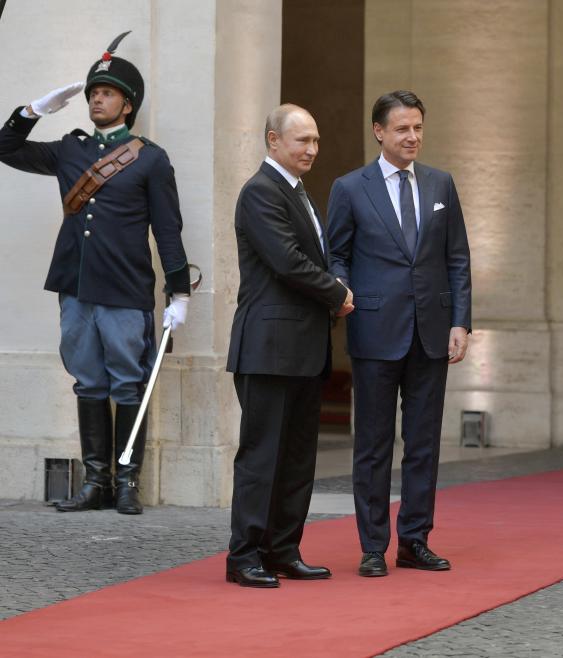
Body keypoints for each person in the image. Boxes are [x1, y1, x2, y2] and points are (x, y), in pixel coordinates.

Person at [0, 32, 191, 515]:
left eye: (105, 93)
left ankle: (127, 481)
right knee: (88, 382)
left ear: (127, 105)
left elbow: (168, 230)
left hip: (125, 288)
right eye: (92, 93)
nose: (95, 100)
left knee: (128, 383)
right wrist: (33, 110)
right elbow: (5, 148)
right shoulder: (70, 150)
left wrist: (179, 293)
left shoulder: (149, 157)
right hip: (76, 286)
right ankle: (96, 483)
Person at [327, 90, 472, 577]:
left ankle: (414, 540)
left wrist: (460, 321)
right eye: (403, 129)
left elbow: (457, 258)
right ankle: (372, 546)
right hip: (373, 329)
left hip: (431, 331)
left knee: (424, 443)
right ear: (379, 132)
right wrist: (341, 290)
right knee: (372, 444)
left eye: (418, 128)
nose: (413, 137)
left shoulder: (440, 185)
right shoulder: (350, 188)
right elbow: (337, 254)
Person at [225, 104, 354, 587]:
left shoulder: (297, 193)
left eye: (316, 141)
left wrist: (335, 284)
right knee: (262, 457)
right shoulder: (260, 192)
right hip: (268, 346)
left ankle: (282, 550)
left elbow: (311, 257)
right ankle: (244, 557)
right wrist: (338, 293)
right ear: (273, 141)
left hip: (302, 349)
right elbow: (287, 261)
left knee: (298, 457)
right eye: (302, 140)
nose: (312, 149)